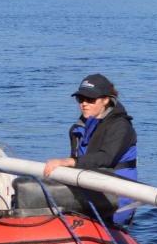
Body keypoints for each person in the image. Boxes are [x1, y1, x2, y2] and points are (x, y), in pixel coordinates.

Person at [43, 73, 138, 227]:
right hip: (89, 187)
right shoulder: (78, 129)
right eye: (80, 99)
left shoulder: (121, 127)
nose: (84, 104)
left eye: (90, 99)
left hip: (117, 194)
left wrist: (69, 161)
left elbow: (106, 158)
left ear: (106, 100)